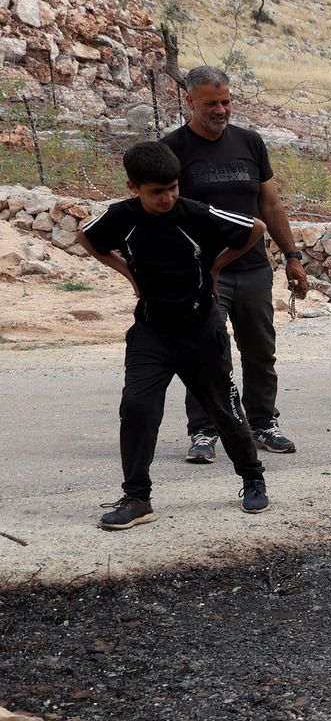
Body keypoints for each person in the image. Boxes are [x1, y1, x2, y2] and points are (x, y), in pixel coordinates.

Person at [77, 142, 271, 530]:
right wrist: (129, 274)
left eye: (173, 189)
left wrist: (215, 270)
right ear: (134, 187)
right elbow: (87, 238)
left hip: (200, 331)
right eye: (156, 192)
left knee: (224, 410)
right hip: (151, 332)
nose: (167, 198)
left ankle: (252, 477)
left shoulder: (195, 214)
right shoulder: (122, 216)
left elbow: (255, 229)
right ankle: (137, 498)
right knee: (136, 408)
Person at [163, 65, 307, 462]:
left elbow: (270, 204)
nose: (221, 109)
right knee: (206, 352)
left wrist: (292, 257)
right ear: (190, 101)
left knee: (260, 351)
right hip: (202, 273)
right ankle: (205, 430)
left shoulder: (251, 143)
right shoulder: (173, 148)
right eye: (211, 103)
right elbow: (162, 209)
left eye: (226, 101)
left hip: (253, 270)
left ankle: (263, 423)